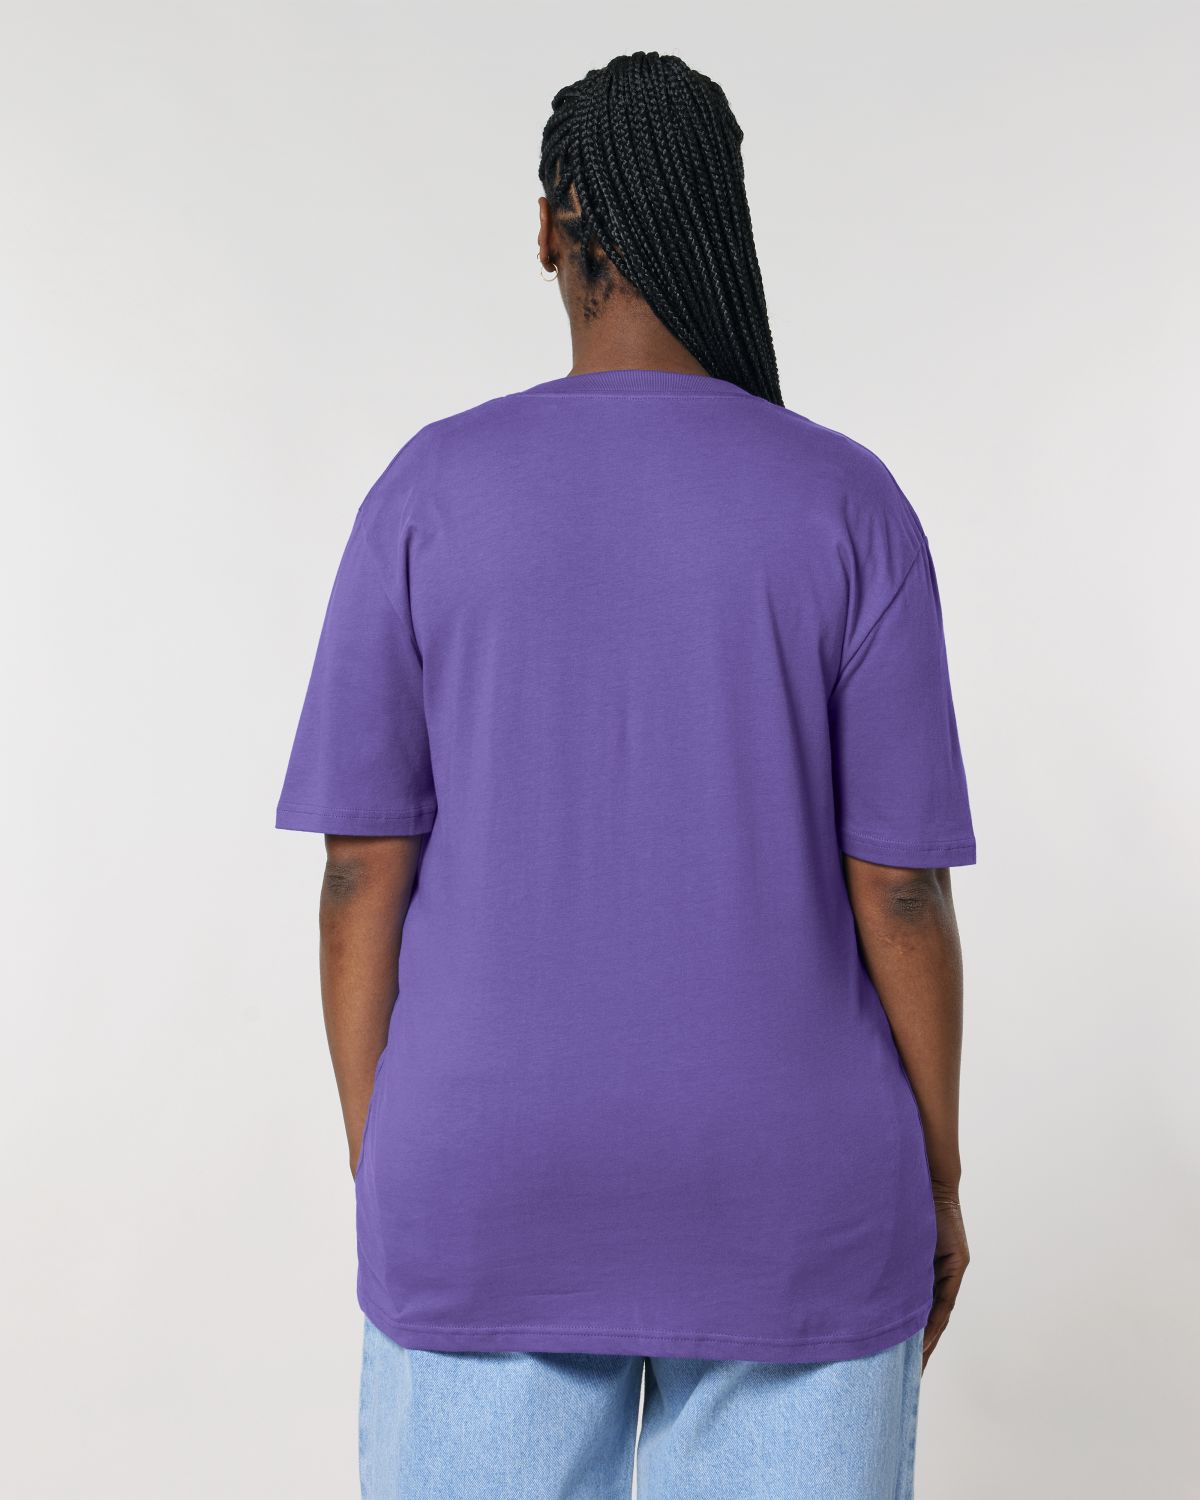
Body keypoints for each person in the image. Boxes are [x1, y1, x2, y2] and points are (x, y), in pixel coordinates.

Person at [277, 50, 974, 1500]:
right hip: (797, 1196)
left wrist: (391, 1164)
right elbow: (900, 891)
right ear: (723, 220)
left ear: (550, 229)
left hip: (485, 1183)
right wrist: (938, 1176)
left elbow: (358, 877)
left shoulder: (427, 492)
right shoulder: (847, 502)